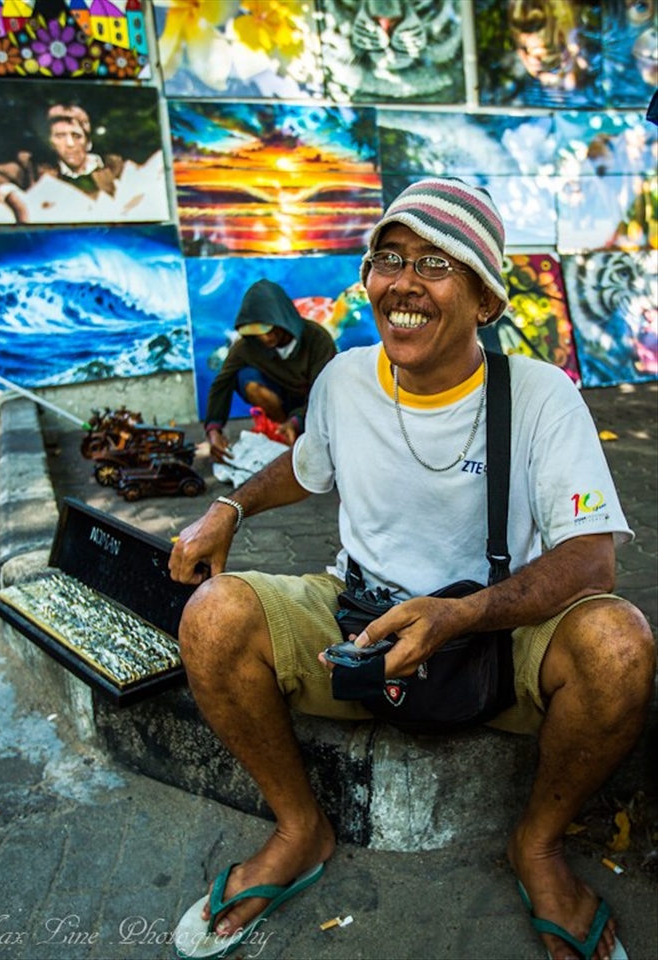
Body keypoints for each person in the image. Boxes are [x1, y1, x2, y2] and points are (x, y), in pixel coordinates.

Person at [168, 178, 655, 960]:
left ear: (486, 299)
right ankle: (300, 828)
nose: (403, 281)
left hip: (496, 631)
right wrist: (227, 511)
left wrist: (461, 614)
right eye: (388, 258)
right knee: (213, 615)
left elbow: (591, 557)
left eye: (436, 263)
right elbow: (307, 464)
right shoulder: (343, 379)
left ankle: (534, 845)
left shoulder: (539, 396)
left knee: (619, 643)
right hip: (356, 621)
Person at [203, 278, 337, 462]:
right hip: (279, 401)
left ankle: (297, 431)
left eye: (270, 329)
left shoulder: (318, 339)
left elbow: (324, 394)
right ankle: (283, 431)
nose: (265, 338)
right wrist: (213, 430)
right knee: (245, 378)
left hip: (313, 403)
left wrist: (297, 421)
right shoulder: (246, 346)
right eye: (258, 333)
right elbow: (222, 384)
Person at [0, 104, 124, 223]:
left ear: (88, 142)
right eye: (60, 136)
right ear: (51, 143)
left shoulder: (113, 167)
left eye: (76, 135)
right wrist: (11, 195)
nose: (70, 144)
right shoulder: (33, 167)